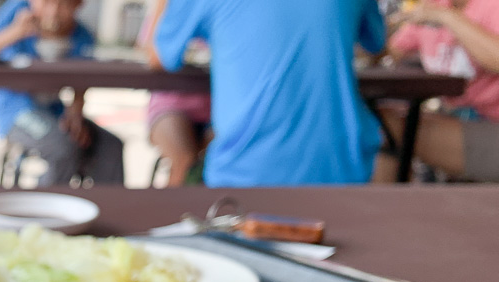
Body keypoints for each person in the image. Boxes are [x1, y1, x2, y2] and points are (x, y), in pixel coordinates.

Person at [152, 0, 386, 187]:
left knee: (184, 168)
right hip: (343, 166)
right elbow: (377, 44)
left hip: (244, 172)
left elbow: (160, 55)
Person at [0, 0, 125, 186]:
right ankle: (43, 206)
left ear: (78, 5)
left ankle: (105, 205)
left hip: (56, 111)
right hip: (17, 111)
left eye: (63, 4)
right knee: (62, 149)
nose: (53, 12)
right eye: (46, 3)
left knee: (110, 146)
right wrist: (15, 32)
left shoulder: (82, 36)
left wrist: (76, 113)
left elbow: (82, 81)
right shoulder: (17, 12)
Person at [377, 0, 499, 182]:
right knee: (380, 120)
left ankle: (381, 208)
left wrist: (446, 17)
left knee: (386, 128)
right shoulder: (434, 6)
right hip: (461, 121)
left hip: (491, 125)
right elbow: (385, 50)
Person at [138, 0, 212, 187]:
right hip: (170, 104)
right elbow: (151, 52)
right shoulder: (170, 5)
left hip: (216, 109)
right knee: (184, 160)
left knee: (224, 158)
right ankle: (171, 213)